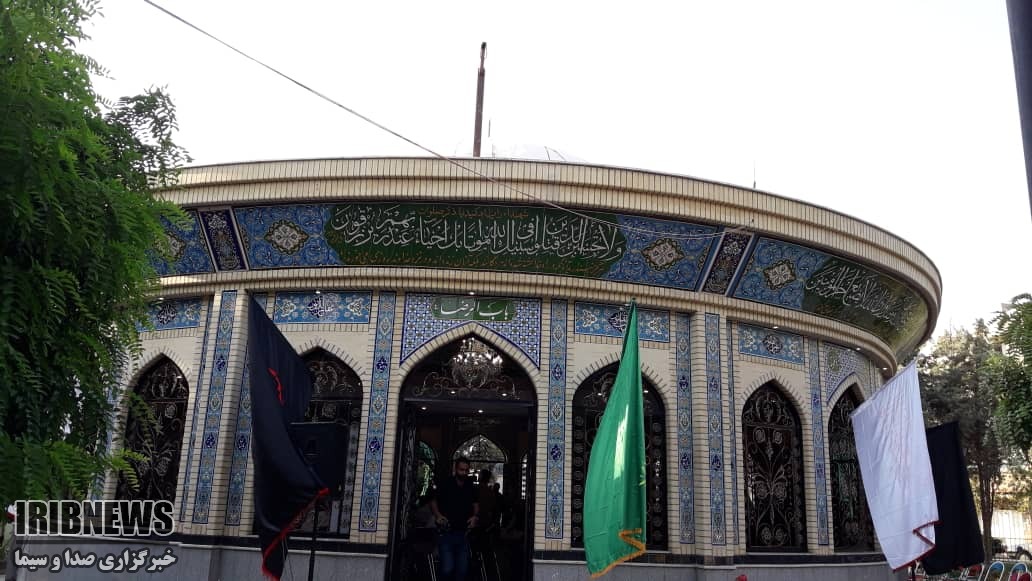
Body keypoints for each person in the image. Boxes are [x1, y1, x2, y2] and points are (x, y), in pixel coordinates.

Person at [430, 457, 479, 581]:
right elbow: (433, 501)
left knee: (462, 571)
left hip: (464, 534)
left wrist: (475, 516)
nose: (464, 473)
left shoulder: (470, 486)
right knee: (447, 569)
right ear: (455, 469)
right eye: (461, 470)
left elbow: (476, 504)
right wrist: (438, 515)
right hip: (446, 533)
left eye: (466, 470)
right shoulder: (446, 483)